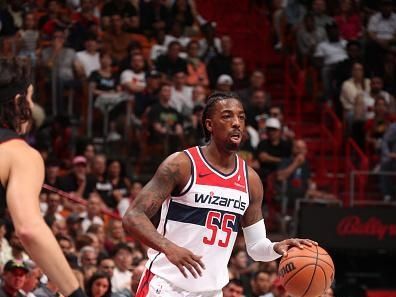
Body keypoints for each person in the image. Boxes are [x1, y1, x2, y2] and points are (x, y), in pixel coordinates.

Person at [122, 92, 316, 296]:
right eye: (227, 116)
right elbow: (133, 217)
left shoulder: (250, 179)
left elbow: (256, 247)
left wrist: (277, 247)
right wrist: (169, 247)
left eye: (241, 117)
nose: (236, 123)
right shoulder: (182, 164)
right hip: (166, 286)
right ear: (209, 125)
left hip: (212, 291)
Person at [0, 58, 85, 297]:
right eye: (30, 97)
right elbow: (29, 229)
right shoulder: (18, 153)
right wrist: (75, 292)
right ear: (18, 102)